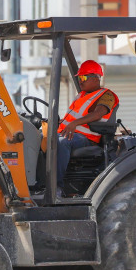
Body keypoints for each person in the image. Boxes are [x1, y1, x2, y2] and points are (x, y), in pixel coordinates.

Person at [56, 60, 119, 191]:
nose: (81, 81)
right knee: (40, 138)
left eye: (84, 77)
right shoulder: (81, 96)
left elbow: (98, 114)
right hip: (70, 134)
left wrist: (74, 123)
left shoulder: (107, 95)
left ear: (96, 78)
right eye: (79, 78)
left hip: (87, 139)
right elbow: (72, 117)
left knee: (62, 142)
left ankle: (56, 187)